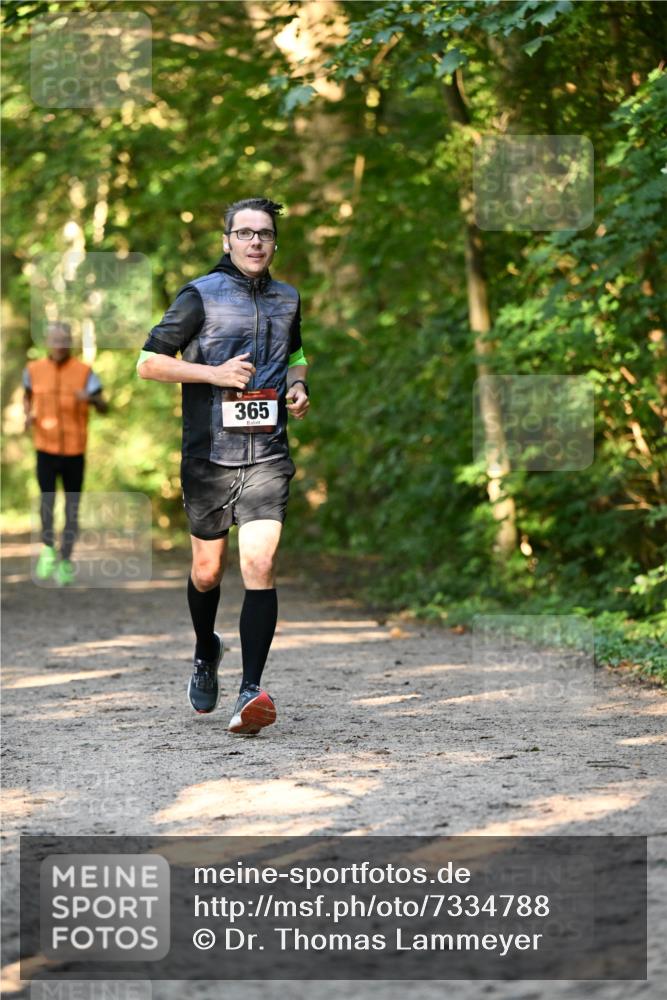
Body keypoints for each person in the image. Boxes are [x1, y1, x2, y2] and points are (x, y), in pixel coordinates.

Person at [137, 197, 309, 736]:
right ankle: (205, 649)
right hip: (209, 456)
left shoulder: (287, 298)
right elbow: (148, 363)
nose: (255, 242)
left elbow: (297, 355)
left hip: (268, 454)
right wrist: (214, 374)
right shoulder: (200, 295)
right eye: (245, 233)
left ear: (274, 243)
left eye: (265, 234)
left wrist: (298, 386)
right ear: (227, 241)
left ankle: (250, 690)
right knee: (208, 571)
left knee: (259, 563)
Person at [23, 321, 108, 586]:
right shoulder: (33, 370)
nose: (60, 345)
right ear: (48, 342)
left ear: (70, 342)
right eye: (55, 340)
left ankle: (66, 560)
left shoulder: (84, 372)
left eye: (64, 340)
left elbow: (104, 406)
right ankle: (48, 549)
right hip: (45, 448)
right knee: (47, 502)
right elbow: (27, 396)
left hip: (74, 451)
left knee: (72, 507)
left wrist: (90, 398)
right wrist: (27, 415)